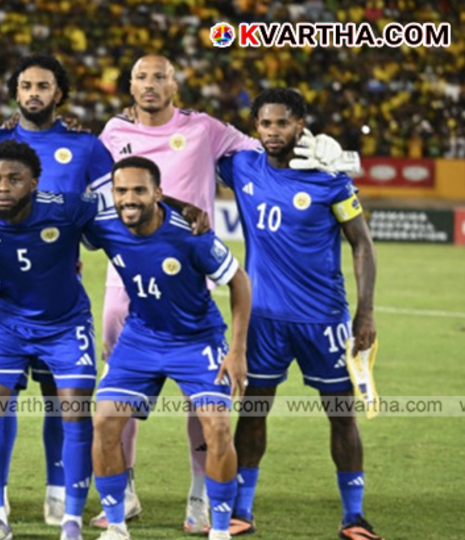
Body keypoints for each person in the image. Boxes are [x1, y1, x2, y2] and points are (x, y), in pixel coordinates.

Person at [93, 54, 361, 532]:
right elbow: (96, 185)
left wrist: (325, 151)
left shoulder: (208, 130)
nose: (150, 84)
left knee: (214, 406)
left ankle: (204, 496)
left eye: (160, 76)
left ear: (177, 83)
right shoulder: (110, 133)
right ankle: (127, 492)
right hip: (125, 280)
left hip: (201, 282)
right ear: (128, 83)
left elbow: (262, 150)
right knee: (115, 399)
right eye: (141, 76)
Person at [0, 53, 114, 526]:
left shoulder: (86, 147)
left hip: (59, 285)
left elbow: (103, 213)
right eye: (26, 85)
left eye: (43, 86)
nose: (34, 93)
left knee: (58, 397)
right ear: (16, 92)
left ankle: (59, 492)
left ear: (58, 93)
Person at [218, 89, 382, 540]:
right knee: (252, 413)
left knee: (340, 415)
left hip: (323, 320)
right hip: (263, 320)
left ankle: (354, 516)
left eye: (283, 123)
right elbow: (190, 151)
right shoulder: (242, 166)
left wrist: (364, 312)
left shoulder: (331, 180)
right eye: (266, 124)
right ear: (256, 126)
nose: (274, 132)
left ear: (300, 124)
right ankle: (241, 509)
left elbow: (362, 244)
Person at [84, 156, 251, 540]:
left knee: (219, 429)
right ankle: (116, 524)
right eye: (121, 190)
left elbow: (239, 282)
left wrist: (237, 350)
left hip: (198, 341)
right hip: (141, 338)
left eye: (139, 190)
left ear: (158, 194)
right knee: (104, 422)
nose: (129, 199)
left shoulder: (191, 237)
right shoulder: (105, 226)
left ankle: (220, 529)